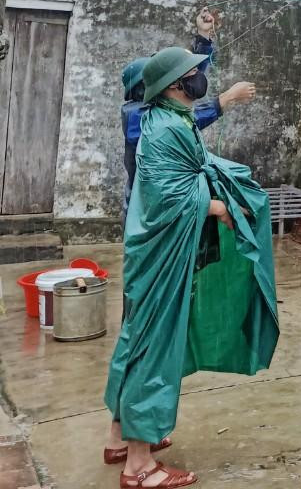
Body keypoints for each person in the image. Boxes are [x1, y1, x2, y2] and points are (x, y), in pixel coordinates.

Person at [104, 46, 278, 489]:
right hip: (159, 256)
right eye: (196, 73)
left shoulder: (169, 119)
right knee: (151, 347)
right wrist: (217, 204)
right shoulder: (163, 128)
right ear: (177, 85)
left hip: (156, 253)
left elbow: (191, 170)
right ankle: (138, 467)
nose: (202, 78)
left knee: (136, 338)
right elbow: (168, 197)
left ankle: (122, 438)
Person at [120, 9, 256, 219]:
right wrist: (225, 99)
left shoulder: (159, 108)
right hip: (148, 213)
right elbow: (184, 119)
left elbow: (184, 73)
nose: (191, 77)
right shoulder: (142, 118)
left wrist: (203, 36)